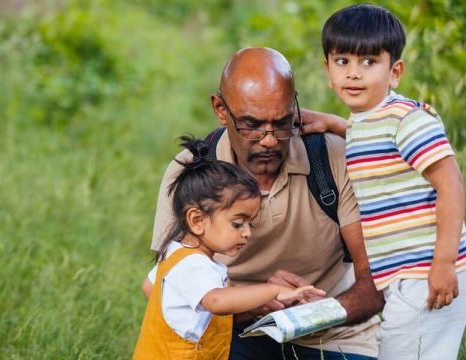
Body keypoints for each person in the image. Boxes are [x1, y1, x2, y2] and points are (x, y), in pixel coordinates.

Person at [150, 47, 383, 360]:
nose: (270, 139)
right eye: (252, 124)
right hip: (229, 332)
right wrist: (254, 306)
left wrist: (316, 312)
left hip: (335, 336)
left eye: (282, 122)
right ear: (220, 109)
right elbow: (167, 294)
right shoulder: (191, 173)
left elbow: (375, 283)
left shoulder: (333, 158)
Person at [315, 4, 466, 359]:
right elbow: (364, 135)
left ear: (394, 72)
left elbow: (450, 183)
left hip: (426, 273)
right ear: (327, 69)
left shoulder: (407, 120)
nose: (354, 73)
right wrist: (330, 122)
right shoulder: (364, 121)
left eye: (368, 62)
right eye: (342, 62)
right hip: (404, 277)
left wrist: (443, 263)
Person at [133, 136, 325, 359]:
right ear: (197, 220)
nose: (247, 232)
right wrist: (274, 291)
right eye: (237, 223)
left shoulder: (175, 253)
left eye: (249, 223)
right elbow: (216, 301)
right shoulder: (196, 264)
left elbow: (150, 287)